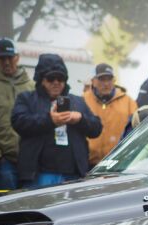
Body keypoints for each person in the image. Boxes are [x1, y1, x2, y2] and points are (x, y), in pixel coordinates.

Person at [11, 53, 102, 187]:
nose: (56, 82)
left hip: (73, 175)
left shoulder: (77, 101)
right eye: (51, 78)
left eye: (60, 78)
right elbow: (19, 122)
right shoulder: (26, 99)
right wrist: (50, 120)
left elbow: (96, 128)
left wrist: (80, 119)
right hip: (39, 175)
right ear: (41, 79)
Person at [0, 38, 35, 190]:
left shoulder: (31, 86)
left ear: (17, 57)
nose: (6, 62)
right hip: (3, 161)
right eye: (2, 58)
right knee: (7, 207)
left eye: (10, 57)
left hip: (29, 159)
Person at [83, 63, 137, 168]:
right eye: (102, 79)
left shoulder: (129, 102)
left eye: (109, 79)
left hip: (119, 164)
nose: (106, 83)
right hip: (87, 164)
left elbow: (135, 130)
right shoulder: (83, 100)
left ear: (114, 80)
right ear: (93, 81)